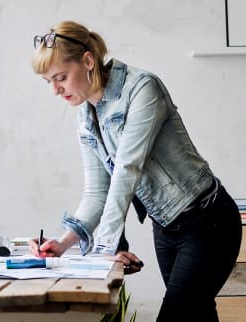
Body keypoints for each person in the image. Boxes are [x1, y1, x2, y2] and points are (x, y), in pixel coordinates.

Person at [27, 20, 242, 322]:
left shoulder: (142, 88)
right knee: (198, 315)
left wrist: (105, 250)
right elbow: (97, 193)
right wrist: (63, 243)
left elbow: (127, 169)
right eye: (48, 81)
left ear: (88, 60)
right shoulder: (87, 118)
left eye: (60, 77)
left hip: (208, 222)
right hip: (166, 229)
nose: (55, 90)